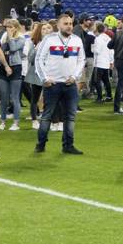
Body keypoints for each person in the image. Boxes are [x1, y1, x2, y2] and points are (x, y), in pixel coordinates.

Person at [34, 13, 85, 154]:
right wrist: (44, 79)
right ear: (58, 25)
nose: (69, 26)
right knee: (47, 116)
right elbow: (39, 59)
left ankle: (68, 146)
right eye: (66, 23)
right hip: (53, 85)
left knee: (70, 117)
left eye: (70, 23)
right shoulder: (49, 39)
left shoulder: (77, 40)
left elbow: (81, 60)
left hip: (70, 85)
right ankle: (41, 144)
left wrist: (75, 77)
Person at [0, 18, 25, 131]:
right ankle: (2, 122)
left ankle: (16, 123)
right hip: (4, 68)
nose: (8, 29)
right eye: (7, 27)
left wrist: (10, 37)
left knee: (15, 97)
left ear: (16, 28)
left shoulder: (21, 39)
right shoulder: (3, 38)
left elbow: (13, 48)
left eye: (11, 27)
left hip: (16, 68)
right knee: (3, 97)